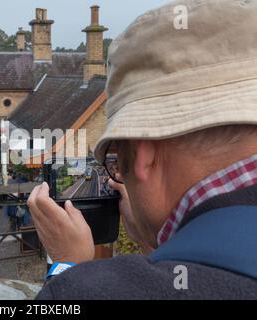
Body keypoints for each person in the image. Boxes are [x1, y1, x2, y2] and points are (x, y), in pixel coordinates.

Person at [29, 0, 257, 299]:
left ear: (142, 156)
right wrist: (163, 239)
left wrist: (68, 269)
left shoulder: (84, 292)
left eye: (117, 163)